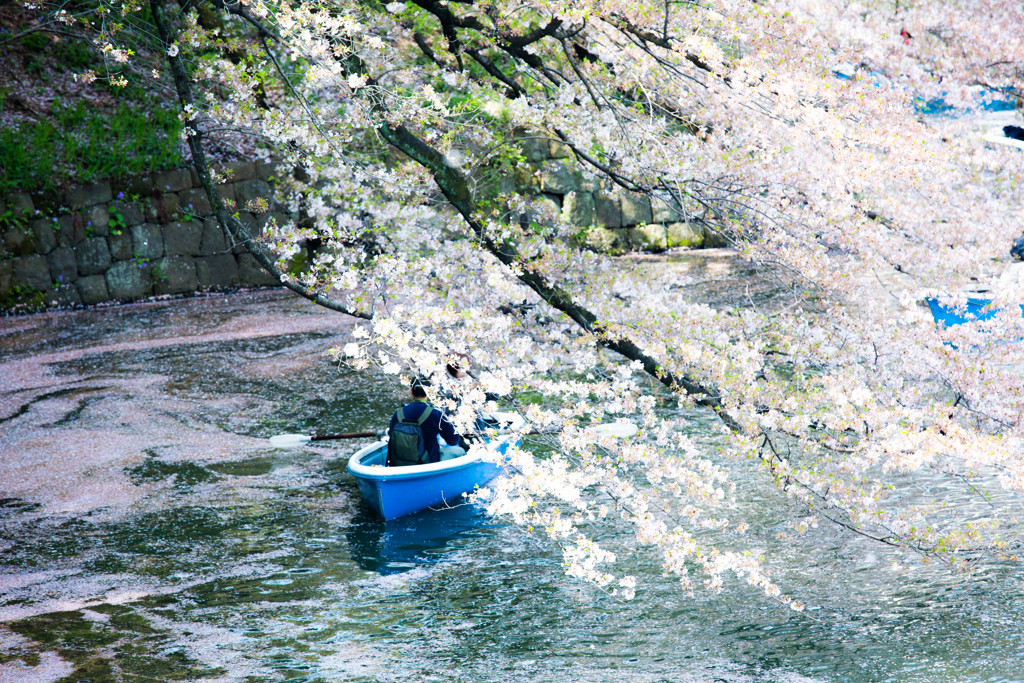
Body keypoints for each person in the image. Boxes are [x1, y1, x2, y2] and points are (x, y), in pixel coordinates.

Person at [386, 377, 464, 467]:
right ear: (430, 392)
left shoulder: (398, 413)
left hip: (400, 463)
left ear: (411, 391)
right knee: (459, 451)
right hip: (427, 464)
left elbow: (390, 434)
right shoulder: (435, 414)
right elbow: (452, 440)